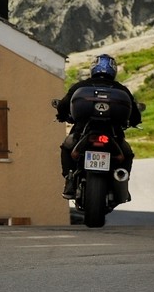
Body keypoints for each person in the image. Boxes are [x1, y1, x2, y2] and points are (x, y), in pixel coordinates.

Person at [56, 53, 141, 202]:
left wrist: (61, 116)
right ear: (113, 70)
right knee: (127, 153)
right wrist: (135, 121)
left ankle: (69, 180)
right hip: (114, 135)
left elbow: (63, 105)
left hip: (82, 132)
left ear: (93, 69)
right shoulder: (121, 89)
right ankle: (122, 181)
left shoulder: (80, 86)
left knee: (67, 146)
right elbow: (134, 113)